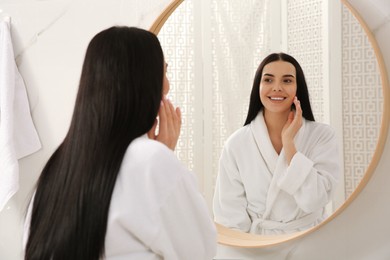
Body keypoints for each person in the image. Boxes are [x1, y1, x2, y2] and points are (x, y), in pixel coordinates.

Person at [23, 26, 216, 260]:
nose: (167, 86)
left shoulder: (58, 167)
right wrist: (162, 155)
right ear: (145, 82)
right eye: (163, 73)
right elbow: (199, 254)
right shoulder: (151, 162)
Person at [213, 52, 340, 235]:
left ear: (298, 88)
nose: (277, 88)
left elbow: (314, 200)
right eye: (268, 80)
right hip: (257, 247)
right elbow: (229, 217)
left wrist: (289, 145)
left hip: (311, 242)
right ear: (259, 86)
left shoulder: (322, 136)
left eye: (287, 81)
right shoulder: (236, 144)